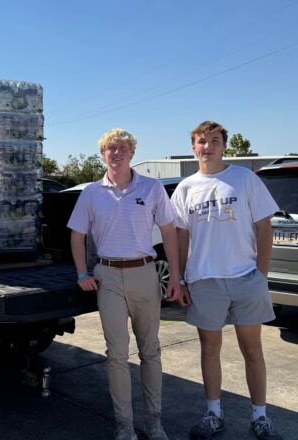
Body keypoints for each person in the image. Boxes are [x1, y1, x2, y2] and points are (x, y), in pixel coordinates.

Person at [171, 121, 283, 440]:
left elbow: (264, 227)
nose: (207, 146)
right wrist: (179, 277)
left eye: (214, 141)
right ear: (193, 147)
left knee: (252, 349)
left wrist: (260, 275)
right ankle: (213, 414)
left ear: (224, 146)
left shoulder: (244, 179)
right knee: (210, 348)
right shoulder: (186, 188)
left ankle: (260, 417)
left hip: (245, 278)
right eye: (201, 141)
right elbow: (181, 235)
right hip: (205, 280)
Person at [67, 128, 182, 440]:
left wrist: (176, 276)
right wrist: (82, 273)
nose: (115, 153)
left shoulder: (152, 187)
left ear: (132, 152)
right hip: (107, 277)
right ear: (103, 155)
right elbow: (77, 235)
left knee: (150, 351)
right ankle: (125, 426)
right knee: (117, 354)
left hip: (145, 274)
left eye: (121, 148)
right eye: (109, 149)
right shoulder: (91, 192)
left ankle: (154, 423)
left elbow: (169, 231)